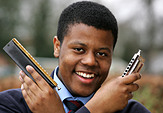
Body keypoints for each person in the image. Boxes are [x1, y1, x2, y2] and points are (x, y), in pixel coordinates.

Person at [0, 1, 151, 113]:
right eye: (79, 49)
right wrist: (94, 109)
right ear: (57, 47)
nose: (90, 61)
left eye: (102, 54)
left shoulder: (133, 111)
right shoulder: (9, 105)